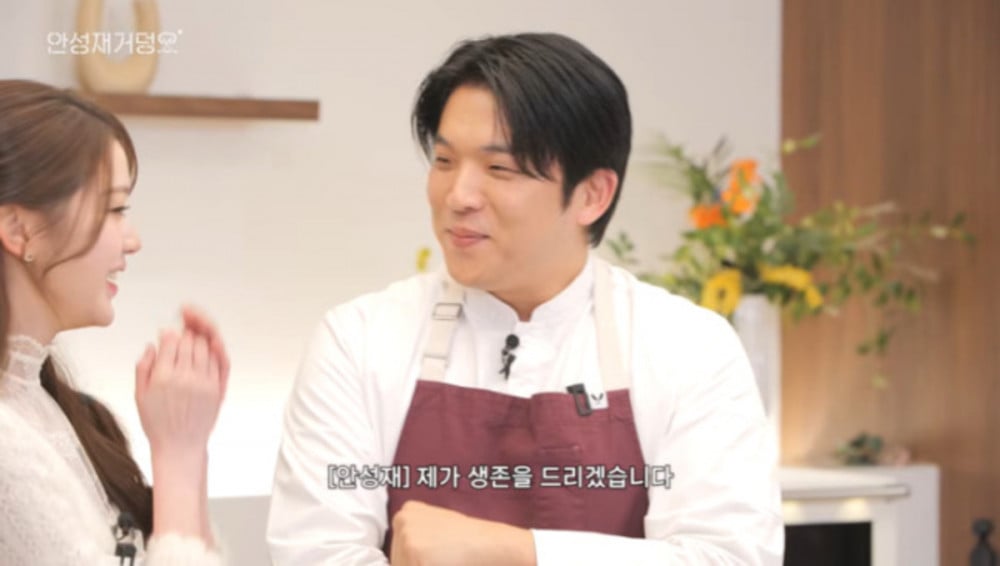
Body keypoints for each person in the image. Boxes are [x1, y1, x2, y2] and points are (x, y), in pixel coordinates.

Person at [268, 33, 783, 565]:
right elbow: (315, 554)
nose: (458, 196)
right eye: (444, 161)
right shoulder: (359, 341)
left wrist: (515, 551)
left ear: (592, 194)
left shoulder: (688, 348)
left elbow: (728, 556)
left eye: (500, 169)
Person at [0, 79, 229, 564]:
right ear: (19, 230)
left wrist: (188, 440)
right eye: (115, 209)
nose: (132, 240)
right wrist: (179, 454)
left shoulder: (49, 403)